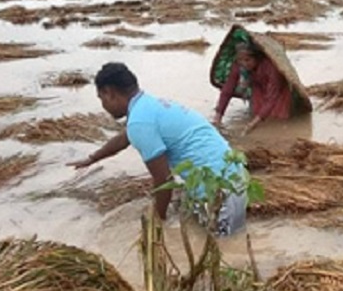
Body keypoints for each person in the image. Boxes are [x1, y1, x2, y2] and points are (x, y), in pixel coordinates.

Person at [69, 62, 247, 236]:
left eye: (101, 99)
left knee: (222, 248)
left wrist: (158, 222)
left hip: (220, 197)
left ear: (109, 93)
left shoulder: (140, 121)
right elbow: (124, 138)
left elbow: (163, 180)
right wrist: (93, 158)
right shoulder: (149, 105)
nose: (103, 106)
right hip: (235, 180)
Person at [213, 41, 294, 134]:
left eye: (247, 60)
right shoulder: (238, 66)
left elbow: (272, 98)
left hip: (279, 92)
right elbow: (227, 89)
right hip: (258, 89)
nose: (244, 63)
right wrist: (218, 117)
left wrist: (253, 124)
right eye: (240, 60)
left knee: (278, 120)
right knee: (257, 113)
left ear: (257, 58)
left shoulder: (270, 67)